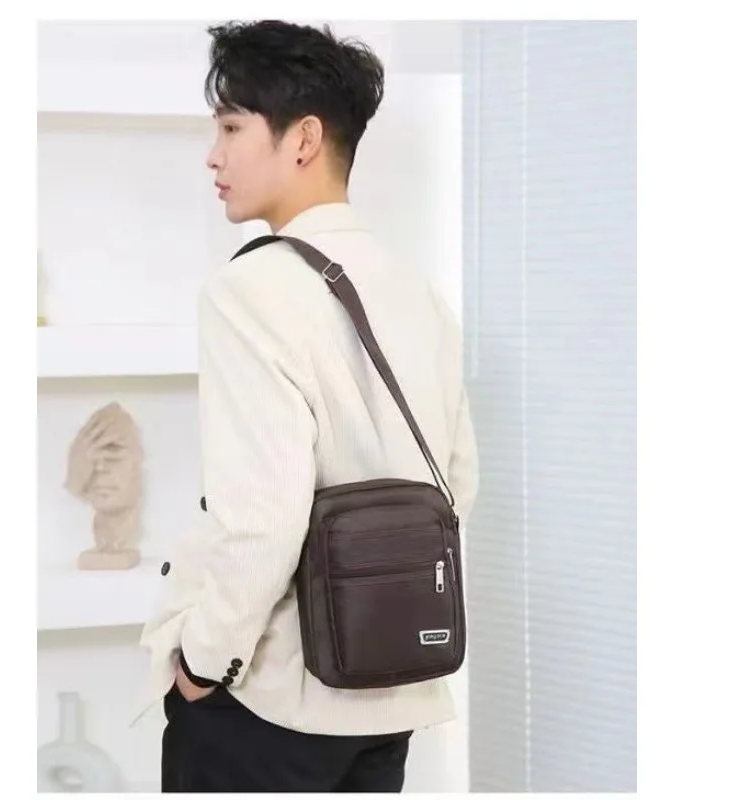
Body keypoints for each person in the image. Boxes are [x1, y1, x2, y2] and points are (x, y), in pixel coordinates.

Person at [134, 19, 480, 793]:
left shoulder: (249, 290)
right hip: (390, 694)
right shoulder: (415, 289)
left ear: (304, 139)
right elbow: (457, 484)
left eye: (232, 127)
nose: (213, 155)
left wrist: (203, 662)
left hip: (270, 700)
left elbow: (262, 517)